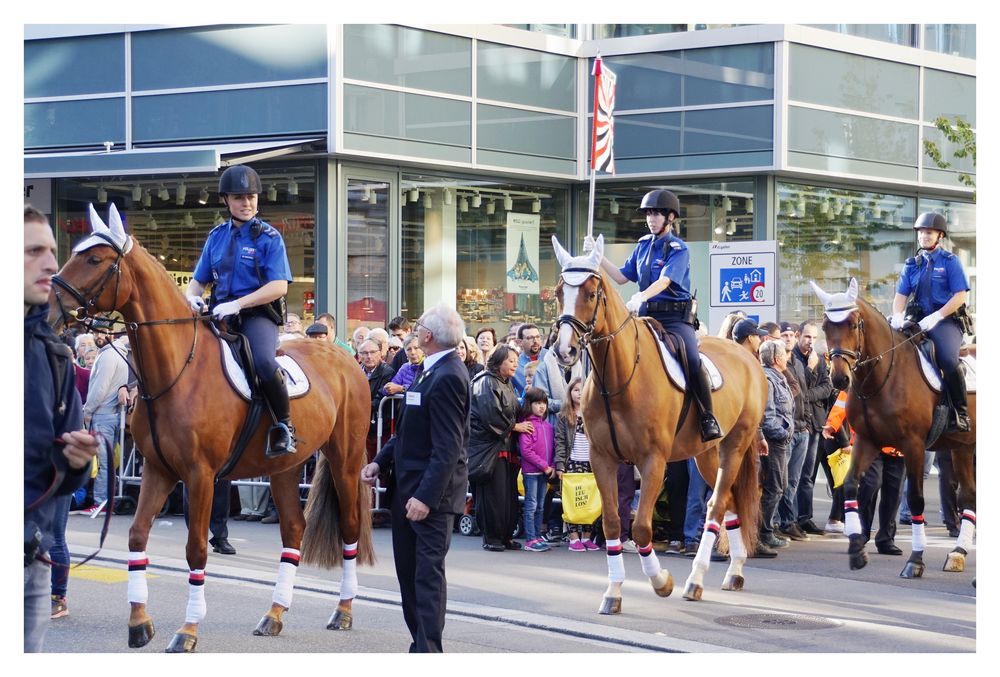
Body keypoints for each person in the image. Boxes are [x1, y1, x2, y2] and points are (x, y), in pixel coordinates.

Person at [361, 303, 470, 653]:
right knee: (408, 576)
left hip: (430, 500)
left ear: (427, 335)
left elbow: (448, 448)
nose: (415, 329)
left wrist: (426, 497)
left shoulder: (450, 375)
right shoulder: (425, 370)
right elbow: (406, 429)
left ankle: (429, 651)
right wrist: (380, 461)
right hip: (406, 491)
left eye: (419, 324)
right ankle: (418, 643)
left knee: (426, 578)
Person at [24, 205, 100, 651]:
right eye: (34, 251)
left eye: (52, 251)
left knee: (262, 362)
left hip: (31, 560)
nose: (52, 265)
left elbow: (64, 479)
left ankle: (279, 426)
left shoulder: (55, 355)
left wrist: (74, 460)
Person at [587, 189, 720, 441]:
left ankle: (707, 416)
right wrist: (598, 256)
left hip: (675, 319)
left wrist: (641, 296)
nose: (652, 218)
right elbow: (621, 276)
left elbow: (666, 280)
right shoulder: (643, 245)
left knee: (692, 359)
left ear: (670, 217)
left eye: (657, 213)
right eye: (649, 213)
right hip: (646, 317)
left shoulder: (678, 248)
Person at [186, 165, 296, 458]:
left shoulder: (270, 238)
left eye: (251, 196)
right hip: (219, 314)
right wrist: (191, 297)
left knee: (262, 361)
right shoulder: (216, 236)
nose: (246, 203)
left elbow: (279, 286)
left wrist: (239, 303)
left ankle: (284, 425)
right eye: (239, 197)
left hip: (256, 315)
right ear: (226, 201)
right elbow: (199, 280)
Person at [890, 212, 972, 432]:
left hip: (945, 321)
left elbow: (960, 296)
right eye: (921, 233)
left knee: (947, 359)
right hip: (916, 320)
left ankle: (961, 412)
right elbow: (900, 296)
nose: (924, 236)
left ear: (940, 236)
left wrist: (937, 316)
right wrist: (898, 316)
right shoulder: (912, 264)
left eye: (929, 232)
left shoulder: (950, 262)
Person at [823, 391, 905, 555]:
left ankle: (886, 539)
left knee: (894, 494)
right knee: (870, 484)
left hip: (898, 445)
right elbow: (845, 398)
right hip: (871, 443)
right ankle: (859, 533)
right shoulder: (870, 370)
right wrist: (833, 424)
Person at [468, 345, 531, 552]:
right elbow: (490, 415)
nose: (515, 364)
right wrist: (515, 427)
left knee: (508, 495)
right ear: (499, 361)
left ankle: (505, 535)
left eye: (516, 361)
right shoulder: (485, 381)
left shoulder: (507, 383)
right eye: (510, 360)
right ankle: (492, 537)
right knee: (493, 495)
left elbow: (513, 410)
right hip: (489, 447)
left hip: (506, 446)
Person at [788, 321, 833, 536]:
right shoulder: (793, 357)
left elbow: (827, 387)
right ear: (799, 336)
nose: (810, 341)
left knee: (808, 475)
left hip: (816, 423)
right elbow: (797, 388)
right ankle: (792, 519)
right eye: (807, 337)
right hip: (799, 423)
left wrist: (808, 395)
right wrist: (809, 369)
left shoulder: (818, 359)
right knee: (795, 476)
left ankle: (805, 518)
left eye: (814, 338)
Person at [81, 326, 130, 517]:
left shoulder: (109, 355)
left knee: (104, 462)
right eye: (96, 332)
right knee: (106, 461)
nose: (98, 335)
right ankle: (103, 501)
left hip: (103, 414)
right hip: (110, 414)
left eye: (102, 331)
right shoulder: (115, 352)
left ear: (112, 332)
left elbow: (99, 389)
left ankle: (101, 502)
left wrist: (87, 410)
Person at [554, 376, 600, 552]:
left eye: (583, 390)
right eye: (576, 390)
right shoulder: (564, 416)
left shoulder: (593, 414)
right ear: (570, 392)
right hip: (572, 463)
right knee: (572, 500)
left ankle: (587, 537)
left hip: (590, 463)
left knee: (589, 499)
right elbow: (559, 442)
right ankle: (573, 538)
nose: (579, 393)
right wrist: (560, 465)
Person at [759, 340, 795, 551]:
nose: (786, 357)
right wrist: (781, 433)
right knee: (774, 488)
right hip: (774, 442)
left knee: (779, 486)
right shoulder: (768, 379)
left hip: (780, 441)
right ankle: (763, 533)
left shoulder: (778, 377)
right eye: (783, 354)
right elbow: (767, 415)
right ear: (775, 359)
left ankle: (766, 531)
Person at [517, 388, 556, 553]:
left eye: (544, 403)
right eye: (537, 403)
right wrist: (544, 465)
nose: (541, 407)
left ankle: (537, 535)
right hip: (532, 472)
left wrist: (552, 465)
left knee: (540, 505)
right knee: (531, 505)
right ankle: (530, 539)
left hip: (545, 472)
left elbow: (553, 448)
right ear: (529, 404)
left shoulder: (548, 426)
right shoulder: (527, 425)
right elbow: (526, 451)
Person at [359, 338, 395, 463]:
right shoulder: (356, 371)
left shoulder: (387, 372)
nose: (368, 356)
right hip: (358, 425)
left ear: (380, 354)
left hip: (378, 425)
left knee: (375, 462)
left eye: (372, 352)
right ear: (359, 355)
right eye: (364, 353)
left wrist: (357, 408)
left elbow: (381, 397)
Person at [511, 323, 548, 396]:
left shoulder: (551, 358)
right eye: (530, 338)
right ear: (519, 342)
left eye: (538, 337)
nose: (535, 341)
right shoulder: (515, 365)